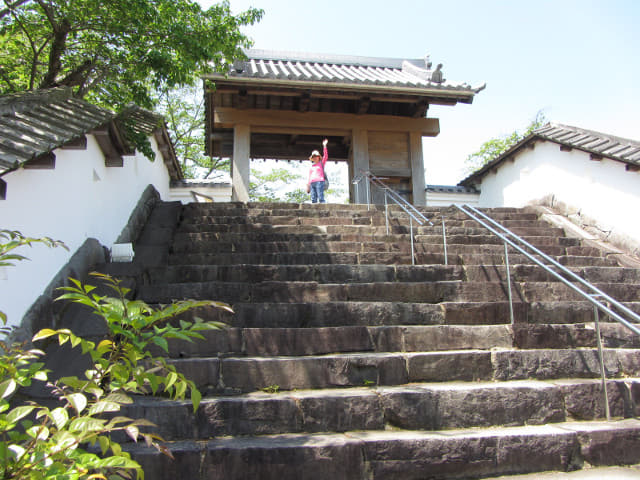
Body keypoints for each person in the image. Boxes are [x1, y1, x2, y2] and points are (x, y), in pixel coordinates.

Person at [307, 138, 328, 203]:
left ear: (319, 157)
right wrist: (308, 185)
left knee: (321, 197)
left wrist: (324, 146)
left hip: (319, 182)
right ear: (312, 158)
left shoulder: (321, 163)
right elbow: (309, 177)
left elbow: (326, 156)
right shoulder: (311, 166)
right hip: (312, 183)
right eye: (314, 156)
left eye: (316, 156)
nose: (315, 157)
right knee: (313, 198)